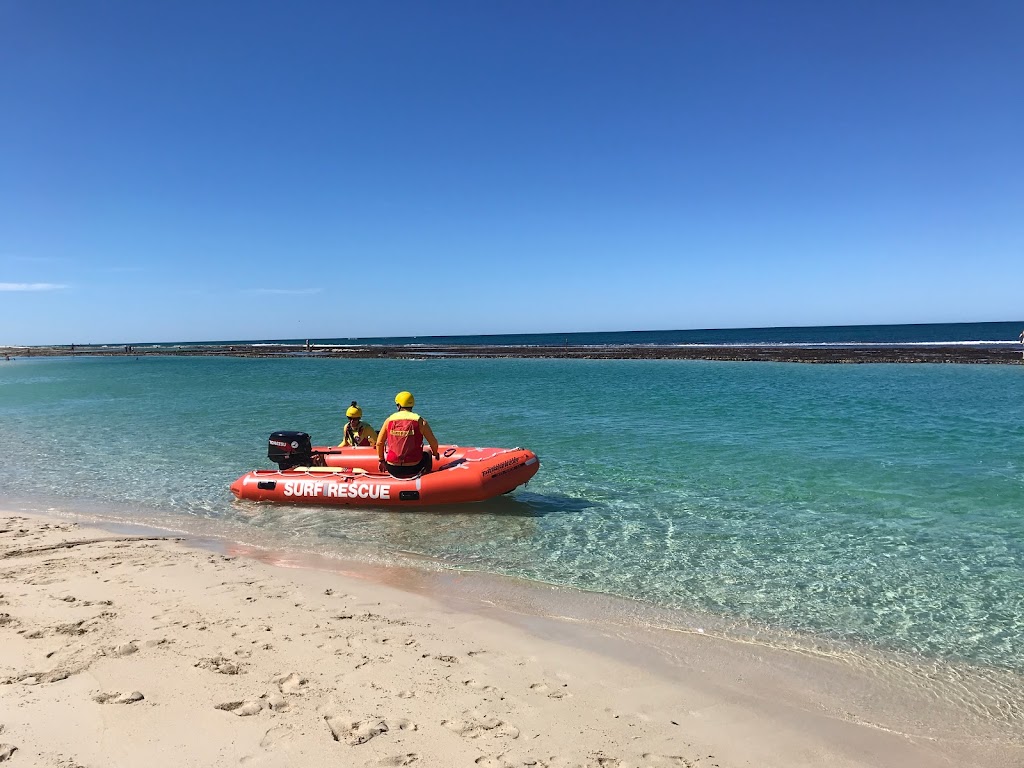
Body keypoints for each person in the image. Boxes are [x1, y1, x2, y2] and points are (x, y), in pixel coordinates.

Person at [376, 391, 440, 478]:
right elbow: (433, 442)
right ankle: (425, 479)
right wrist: (435, 453)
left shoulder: (389, 420)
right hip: (414, 467)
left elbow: (379, 443)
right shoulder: (420, 421)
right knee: (428, 452)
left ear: (398, 405)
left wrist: (381, 460)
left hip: (392, 468)